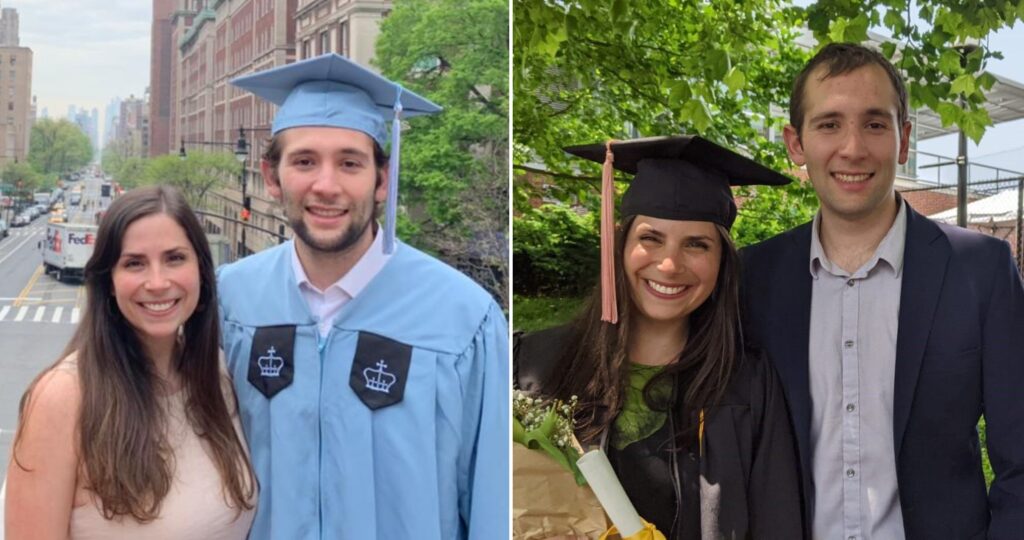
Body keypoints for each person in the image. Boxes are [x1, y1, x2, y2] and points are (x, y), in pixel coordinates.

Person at [216, 53, 508, 540]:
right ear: (272, 178)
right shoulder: (229, 301)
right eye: (304, 161)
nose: (326, 185)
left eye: (349, 163)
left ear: (381, 180)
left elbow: (491, 503)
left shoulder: (462, 319)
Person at [741, 42, 1024, 539]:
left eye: (875, 123)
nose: (853, 148)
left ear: (904, 139)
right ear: (795, 143)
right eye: (829, 124)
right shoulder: (753, 279)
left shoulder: (981, 270)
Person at [515, 136, 805, 539]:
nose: (669, 265)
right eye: (651, 239)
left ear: (722, 262)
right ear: (621, 246)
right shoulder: (535, 363)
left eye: (696, 245)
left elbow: (779, 524)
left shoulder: (747, 384)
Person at [5, 185, 256, 539]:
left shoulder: (218, 374)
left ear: (201, 270)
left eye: (174, 258)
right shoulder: (63, 398)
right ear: (109, 281)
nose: (157, 282)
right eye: (134, 263)